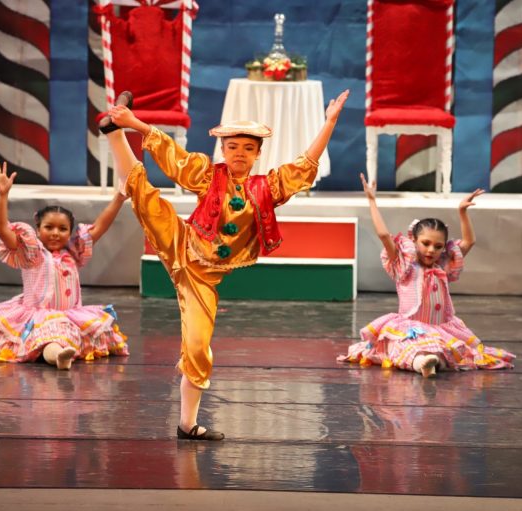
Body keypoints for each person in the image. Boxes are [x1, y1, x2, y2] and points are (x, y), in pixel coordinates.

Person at [102, 89, 350, 440]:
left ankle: (187, 425)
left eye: (248, 148)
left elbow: (305, 165)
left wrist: (329, 123)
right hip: (182, 243)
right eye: (233, 147)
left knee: (197, 347)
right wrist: (135, 124)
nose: (240, 154)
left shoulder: (267, 187)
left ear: (258, 154)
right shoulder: (208, 175)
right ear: (223, 150)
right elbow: (175, 158)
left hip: (204, 278)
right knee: (144, 196)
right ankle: (114, 134)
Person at [0, 161, 130, 369]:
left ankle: (62, 353)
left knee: (68, 333)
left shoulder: (73, 252)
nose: (55, 233)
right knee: (52, 339)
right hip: (38, 316)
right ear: (38, 230)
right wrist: (2, 195)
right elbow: (1, 229)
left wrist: (119, 198)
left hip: (70, 315)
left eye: (62, 229)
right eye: (49, 227)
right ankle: (59, 357)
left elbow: (100, 226)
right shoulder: (32, 253)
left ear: (69, 233)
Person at [338, 174, 515, 377]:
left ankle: (432, 362)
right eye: (426, 243)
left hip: (438, 328)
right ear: (414, 240)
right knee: (406, 348)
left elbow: (469, 242)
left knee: (448, 351)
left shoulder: (443, 265)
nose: (431, 250)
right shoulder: (405, 265)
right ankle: (421, 363)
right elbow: (384, 235)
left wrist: (462, 212)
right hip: (410, 329)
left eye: (438, 246)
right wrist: (372, 200)